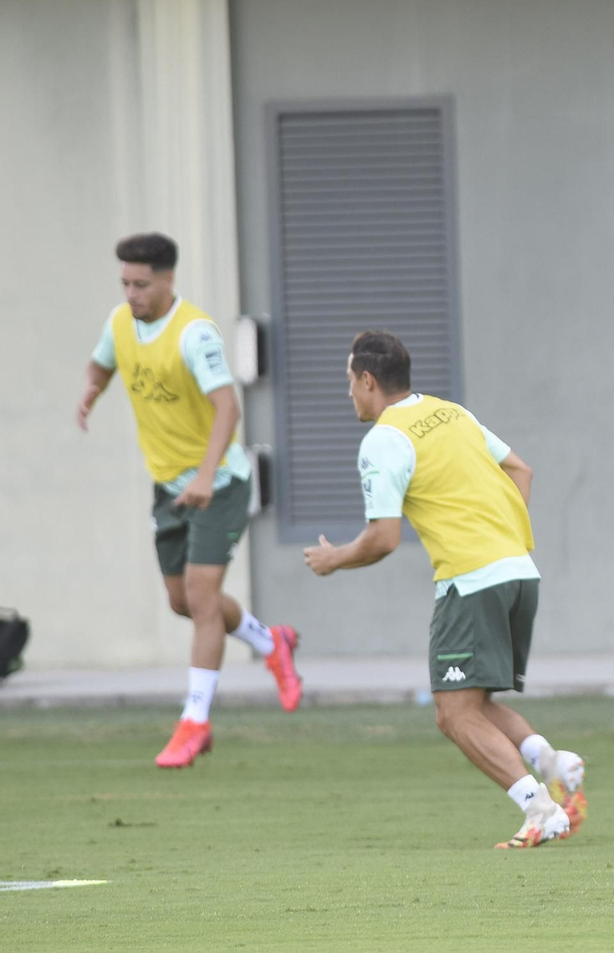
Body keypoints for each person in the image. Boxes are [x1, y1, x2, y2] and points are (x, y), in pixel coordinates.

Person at [303, 330, 585, 849]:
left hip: (472, 579)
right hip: (519, 570)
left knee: (452, 713)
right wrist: (500, 534)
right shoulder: (450, 412)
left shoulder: (384, 440)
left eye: (349, 382)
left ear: (368, 381)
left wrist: (334, 559)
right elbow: (520, 468)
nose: (349, 393)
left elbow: (383, 538)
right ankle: (551, 761)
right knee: (472, 702)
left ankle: (540, 809)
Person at [78, 233, 301, 768]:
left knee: (202, 597)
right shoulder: (119, 323)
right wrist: (91, 390)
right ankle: (271, 643)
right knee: (183, 601)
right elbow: (102, 363)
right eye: (125, 283)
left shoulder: (194, 333)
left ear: (168, 279)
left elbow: (228, 408)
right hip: (168, 487)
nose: (131, 294)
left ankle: (194, 721)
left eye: (141, 284)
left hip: (218, 485)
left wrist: (204, 476)